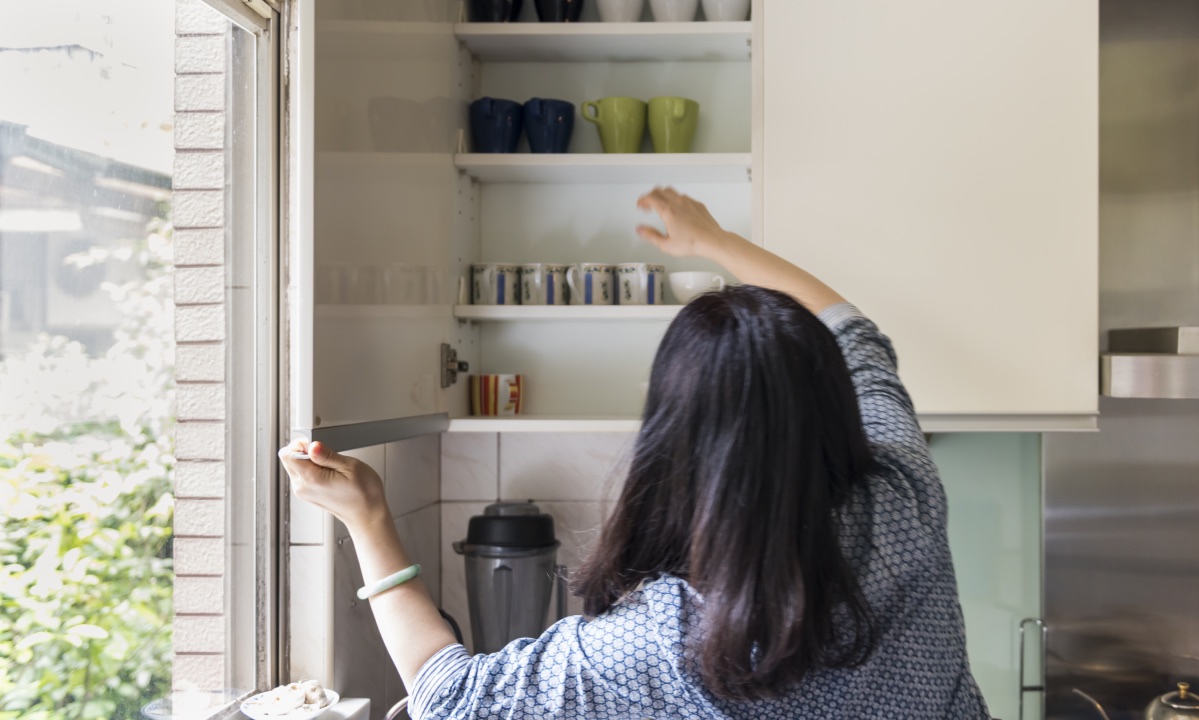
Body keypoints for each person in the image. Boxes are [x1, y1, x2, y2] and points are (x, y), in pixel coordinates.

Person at [279, 188, 990, 719]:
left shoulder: (671, 640)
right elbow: (854, 332)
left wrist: (369, 518)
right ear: (831, 400)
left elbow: (449, 697)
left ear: (674, 439)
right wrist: (717, 240)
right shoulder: (906, 494)